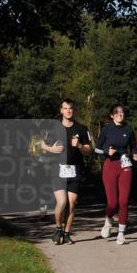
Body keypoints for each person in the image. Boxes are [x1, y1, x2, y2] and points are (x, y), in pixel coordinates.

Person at [40, 99, 92, 245]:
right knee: (61, 202)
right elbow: (40, 143)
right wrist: (50, 149)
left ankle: (67, 233)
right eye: (65, 108)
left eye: (71, 108)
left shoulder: (81, 128)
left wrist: (80, 145)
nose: (68, 111)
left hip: (75, 170)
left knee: (72, 203)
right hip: (58, 169)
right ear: (61, 110)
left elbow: (88, 150)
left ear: (73, 111)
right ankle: (58, 228)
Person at [95, 103, 137, 245]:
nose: (119, 114)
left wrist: (135, 155)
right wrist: (105, 152)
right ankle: (108, 220)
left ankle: (121, 233)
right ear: (111, 115)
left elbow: (134, 147)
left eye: (121, 112)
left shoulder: (128, 130)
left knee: (123, 201)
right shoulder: (106, 130)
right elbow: (96, 148)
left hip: (125, 166)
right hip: (110, 166)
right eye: (116, 112)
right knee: (113, 203)